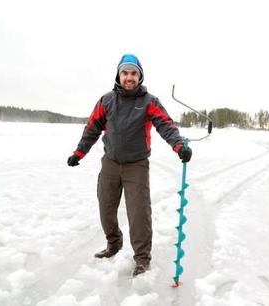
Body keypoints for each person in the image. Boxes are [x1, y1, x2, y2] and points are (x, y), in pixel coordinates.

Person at [67, 54, 192, 276]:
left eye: (133, 73)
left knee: (139, 214)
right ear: (118, 75)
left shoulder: (149, 102)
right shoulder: (106, 101)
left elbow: (166, 125)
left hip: (137, 164)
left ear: (140, 76)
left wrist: (179, 146)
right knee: (106, 207)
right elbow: (92, 128)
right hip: (111, 163)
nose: (129, 77)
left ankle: (142, 258)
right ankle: (113, 244)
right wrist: (79, 153)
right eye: (125, 73)